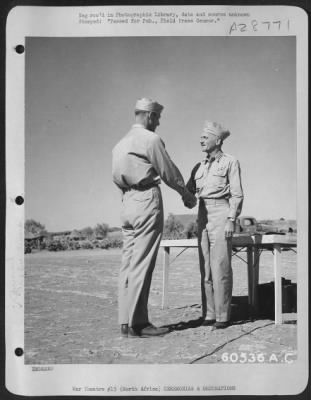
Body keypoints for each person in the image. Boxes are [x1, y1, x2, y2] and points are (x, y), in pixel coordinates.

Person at [112, 98, 197, 338]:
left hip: (126, 202)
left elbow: (116, 177)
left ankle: (124, 321)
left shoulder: (119, 144)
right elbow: (167, 170)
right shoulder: (150, 139)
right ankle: (138, 323)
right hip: (146, 199)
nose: (158, 122)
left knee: (127, 264)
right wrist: (186, 194)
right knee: (142, 263)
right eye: (157, 118)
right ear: (149, 116)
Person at [186, 121, 243, 329]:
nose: (201, 140)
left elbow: (237, 194)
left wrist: (231, 220)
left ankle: (223, 315)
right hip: (202, 214)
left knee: (221, 266)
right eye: (201, 137)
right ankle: (209, 313)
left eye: (205, 137)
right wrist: (185, 194)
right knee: (206, 268)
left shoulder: (230, 162)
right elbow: (189, 195)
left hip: (221, 212)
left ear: (217, 140)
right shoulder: (198, 166)